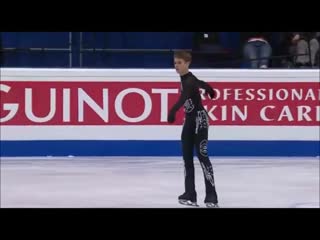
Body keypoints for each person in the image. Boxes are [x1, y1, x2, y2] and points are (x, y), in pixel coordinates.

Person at [167, 51, 219, 208]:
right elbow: (201, 83)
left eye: (180, 62)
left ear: (188, 63)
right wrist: (210, 90)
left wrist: (172, 111)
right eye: (175, 63)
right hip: (189, 121)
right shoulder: (188, 79)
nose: (176, 66)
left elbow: (184, 97)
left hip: (199, 121)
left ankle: (211, 196)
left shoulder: (188, 81)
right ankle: (190, 194)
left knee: (203, 157)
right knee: (187, 158)